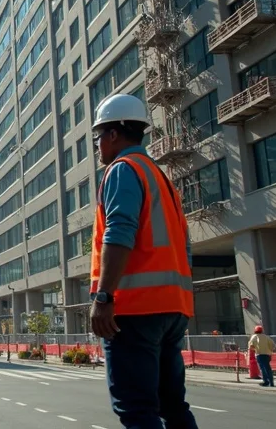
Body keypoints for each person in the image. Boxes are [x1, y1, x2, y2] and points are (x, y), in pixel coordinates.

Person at [88, 94, 198, 429]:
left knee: (136, 409)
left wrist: (104, 297)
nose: (97, 147)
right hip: (172, 308)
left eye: (97, 138)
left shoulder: (122, 170)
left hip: (135, 310)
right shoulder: (159, 176)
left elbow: (120, 232)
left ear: (113, 135)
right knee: (172, 405)